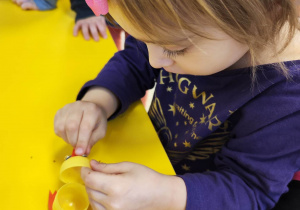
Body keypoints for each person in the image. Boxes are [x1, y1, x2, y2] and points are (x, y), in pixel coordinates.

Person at [54, 0, 300, 209]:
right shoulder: (178, 30)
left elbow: (250, 189)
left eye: (175, 49)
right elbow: (137, 59)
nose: (155, 60)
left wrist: (166, 195)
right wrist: (98, 101)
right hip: (155, 162)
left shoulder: (288, 97)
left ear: (265, 15)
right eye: (143, 39)